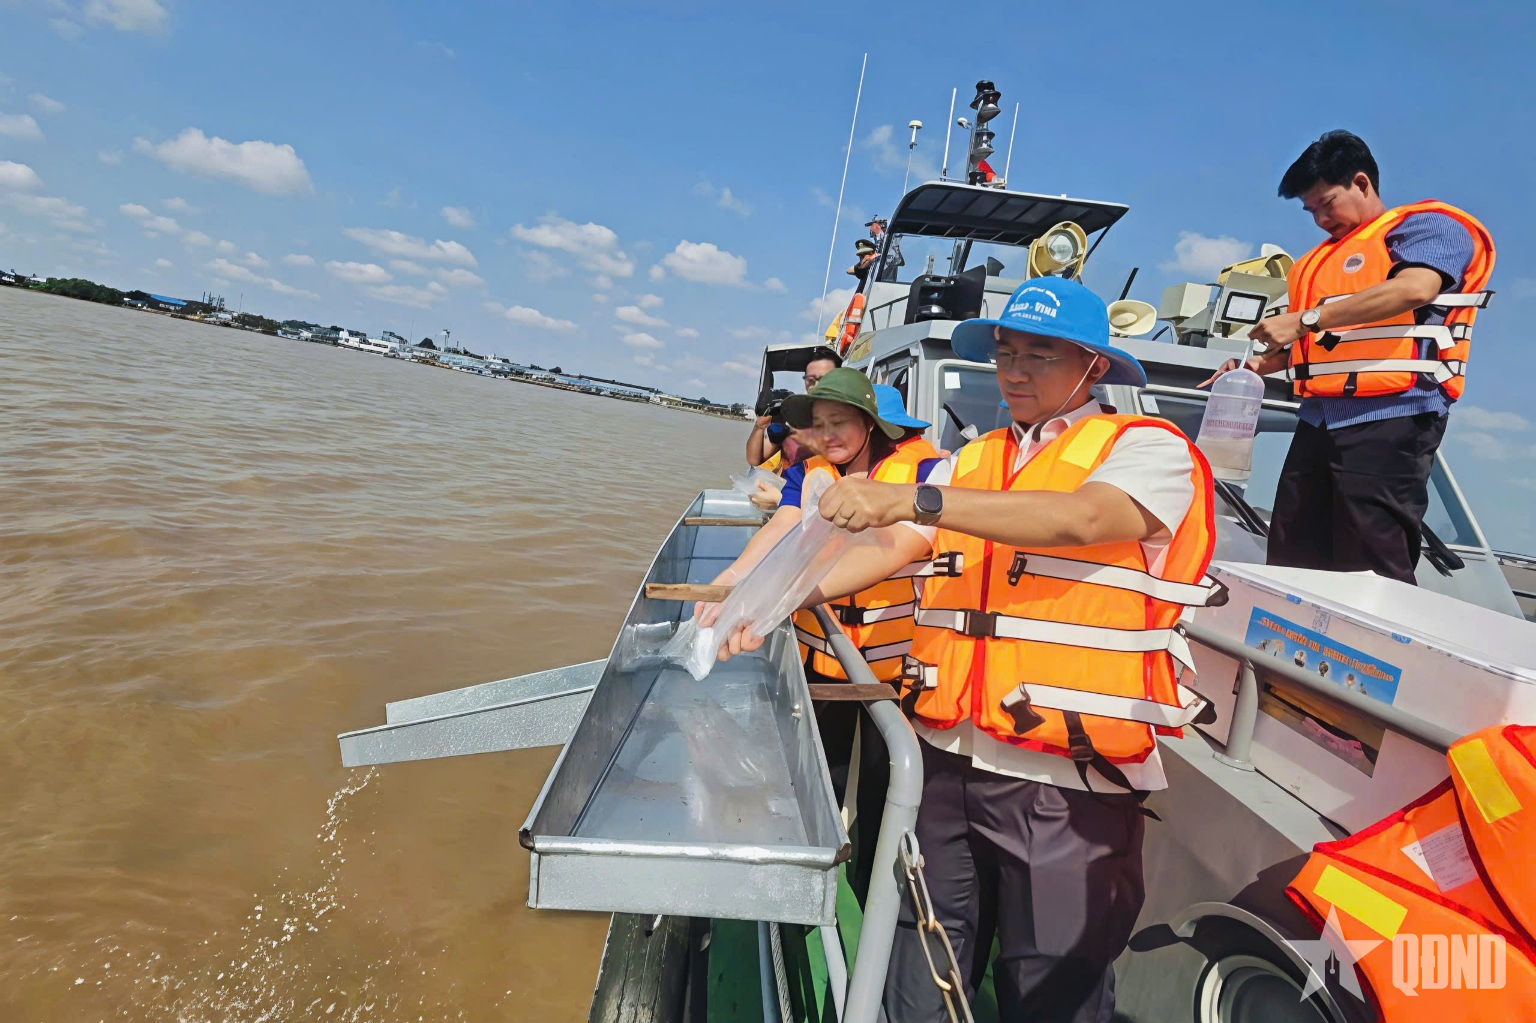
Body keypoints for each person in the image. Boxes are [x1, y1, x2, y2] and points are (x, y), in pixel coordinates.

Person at [707, 277, 1221, 1022]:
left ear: (1095, 366)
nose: (1014, 372)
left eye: (1039, 355)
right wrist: (766, 602)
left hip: (1068, 782)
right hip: (944, 759)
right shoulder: (972, 460)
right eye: (1005, 354)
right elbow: (891, 546)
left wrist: (913, 497)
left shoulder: (1148, 449)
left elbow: (1082, 518)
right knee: (921, 968)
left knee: (1051, 988)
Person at [1205, 130, 1495, 584]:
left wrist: (1304, 319)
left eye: (1327, 203)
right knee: (1291, 558)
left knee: (1370, 566)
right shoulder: (1321, 261)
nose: (1321, 219)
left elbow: (1415, 289)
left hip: (1392, 416)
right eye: (1311, 211)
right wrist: (1260, 365)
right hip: (1319, 420)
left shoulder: (1427, 227)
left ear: (1361, 183)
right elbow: (1333, 343)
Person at [704, 372, 940, 897]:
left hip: (893, 665)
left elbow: (899, 547)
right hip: (821, 655)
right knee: (818, 771)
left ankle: (873, 891)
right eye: (819, 425)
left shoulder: (924, 470)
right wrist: (733, 580)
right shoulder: (808, 471)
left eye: (841, 422)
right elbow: (783, 524)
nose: (828, 435)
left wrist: (768, 602)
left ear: (871, 422)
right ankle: (811, 878)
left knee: (884, 783)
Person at [745, 348, 841, 471]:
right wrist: (759, 426)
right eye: (811, 380)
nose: (816, 386)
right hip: (790, 481)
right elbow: (754, 460)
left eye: (824, 379)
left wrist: (808, 441)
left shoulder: (851, 417)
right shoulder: (792, 416)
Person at [867, 215, 904, 281]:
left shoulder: (892, 234)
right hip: (879, 268)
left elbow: (897, 235)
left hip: (888, 264)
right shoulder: (876, 240)